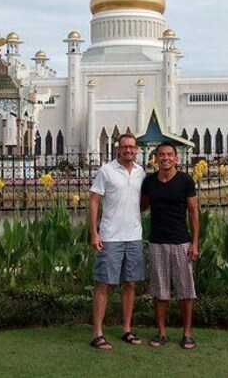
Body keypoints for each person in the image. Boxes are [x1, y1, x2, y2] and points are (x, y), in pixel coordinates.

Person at [88, 133, 146, 350]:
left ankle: (127, 329)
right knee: (104, 283)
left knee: (130, 283)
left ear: (136, 149)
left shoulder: (141, 172)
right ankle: (97, 333)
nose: (129, 150)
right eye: (125, 147)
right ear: (118, 149)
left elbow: (142, 201)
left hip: (133, 236)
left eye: (132, 147)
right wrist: (94, 233)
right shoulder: (106, 171)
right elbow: (94, 202)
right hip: (111, 237)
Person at [140, 141, 199, 350]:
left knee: (185, 291)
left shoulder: (185, 181)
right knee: (160, 291)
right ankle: (161, 332)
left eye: (169, 155)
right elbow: (141, 206)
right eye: (161, 155)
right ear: (156, 158)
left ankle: (187, 333)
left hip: (181, 242)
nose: (165, 158)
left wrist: (194, 242)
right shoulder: (150, 182)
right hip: (157, 242)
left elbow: (193, 212)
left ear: (176, 158)